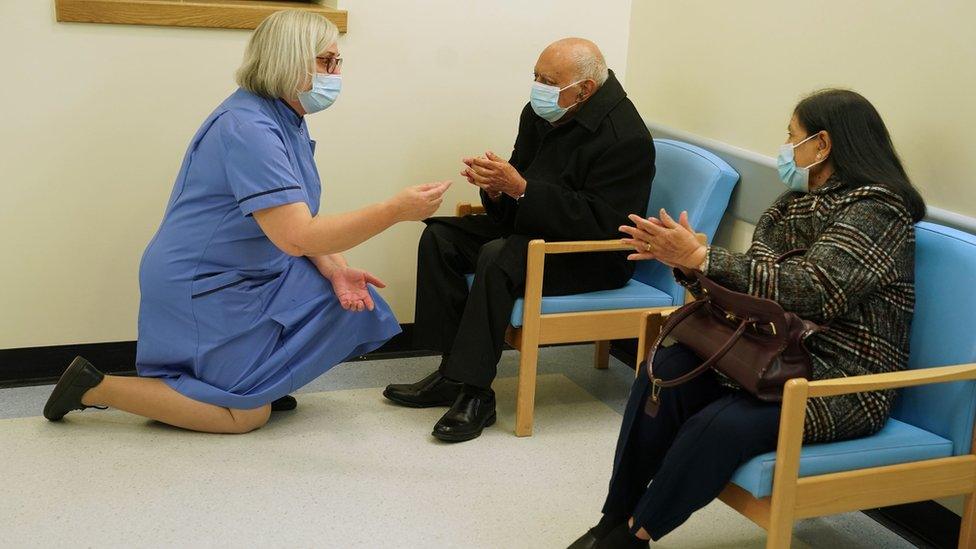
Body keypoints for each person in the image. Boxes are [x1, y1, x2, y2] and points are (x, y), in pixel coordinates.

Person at [43, 10, 451, 434]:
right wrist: (393, 211)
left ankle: (250, 382)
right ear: (289, 62)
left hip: (254, 269)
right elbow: (297, 236)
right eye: (327, 62)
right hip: (204, 282)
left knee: (352, 304)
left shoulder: (283, 118)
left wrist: (337, 269)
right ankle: (93, 386)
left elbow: (298, 219)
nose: (336, 73)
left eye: (337, 62)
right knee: (243, 417)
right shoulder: (249, 127)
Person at [570, 88, 927, 548]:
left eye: (791, 137)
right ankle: (613, 519)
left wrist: (705, 256)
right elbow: (752, 294)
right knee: (662, 374)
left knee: (719, 424)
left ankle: (635, 537)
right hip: (767, 355)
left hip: (837, 379)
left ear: (823, 144)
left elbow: (814, 292)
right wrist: (690, 264)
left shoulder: (878, 209)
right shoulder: (789, 205)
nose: (785, 148)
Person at [383, 38, 656, 442]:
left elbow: (603, 223)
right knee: (441, 237)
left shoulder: (625, 138)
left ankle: (477, 394)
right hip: (533, 233)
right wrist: (497, 189)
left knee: (498, 255)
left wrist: (522, 189)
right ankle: (449, 374)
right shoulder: (541, 112)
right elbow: (521, 186)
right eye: (536, 77)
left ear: (585, 90)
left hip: (592, 257)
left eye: (549, 80)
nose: (538, 88)